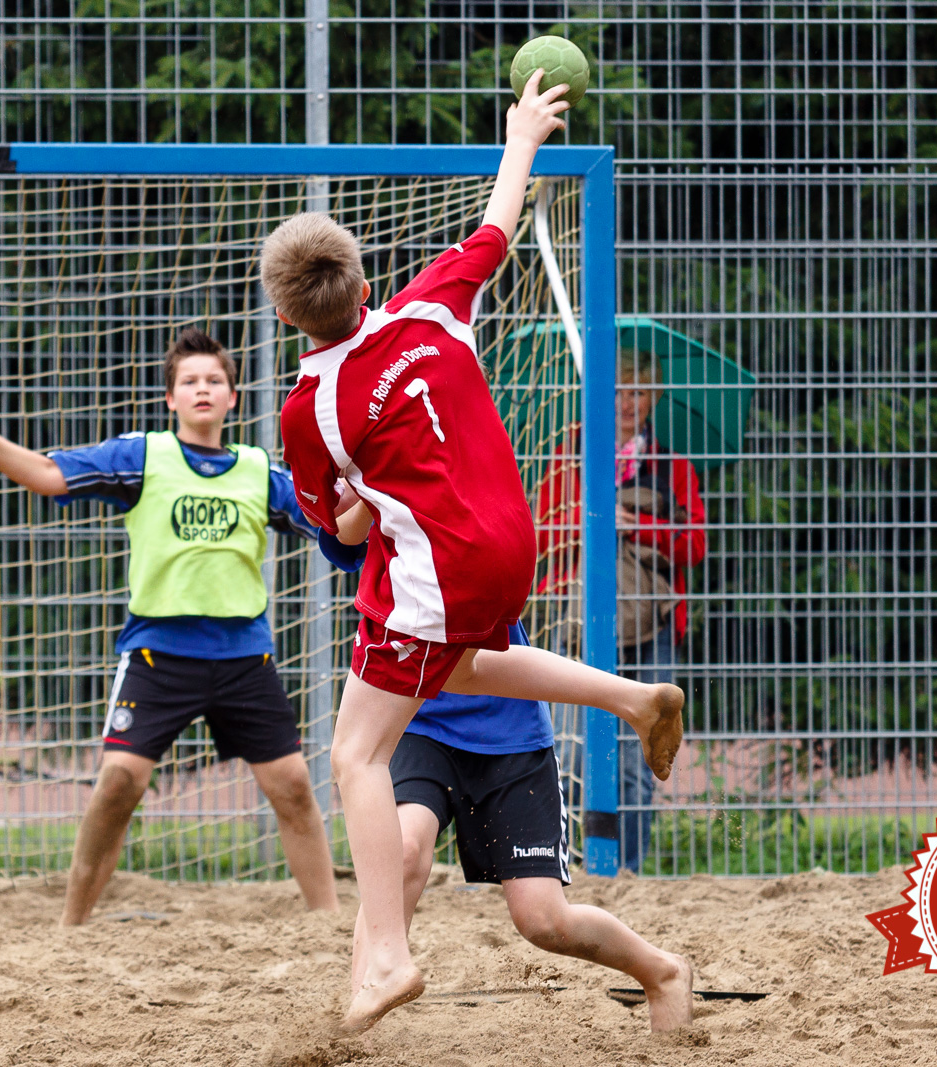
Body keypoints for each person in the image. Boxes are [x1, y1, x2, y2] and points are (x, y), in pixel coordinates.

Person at [264, 70, 689, 1032]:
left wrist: (363, 514)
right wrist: (524, 130)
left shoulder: (308, 407)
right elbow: (496, 225)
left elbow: (335, 528)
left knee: (352, 755)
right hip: (514, 542)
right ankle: (629, 696)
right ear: (368, 284)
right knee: (458, 666)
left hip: (439, 566)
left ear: (286, 318)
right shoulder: (428, 306)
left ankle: (384, 953)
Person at [0, 328, 339, 924]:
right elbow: (49, 475)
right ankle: (73, 925)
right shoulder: (143, 457)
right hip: (159, 657)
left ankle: (327, 920)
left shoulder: (258, 473)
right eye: (190, 381)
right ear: (171, 398)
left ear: (232, 396)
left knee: (295, 788)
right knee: (119, 781)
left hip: (242, 657)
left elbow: (334, 523)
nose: (203, 389)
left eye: (214, 381)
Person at [319, 530, 694, 1031]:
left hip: (510, 732)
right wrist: (360, 475)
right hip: (415, 722)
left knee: (543, 921)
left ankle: (663, 972)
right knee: (404, 849)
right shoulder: (375, 489)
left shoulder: (465, 496)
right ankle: (359, 1015)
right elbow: (340, 538)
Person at [535, 362, 707, 873]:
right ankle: (564, 867)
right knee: (564, 753)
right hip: (577, 623)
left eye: (640, 391)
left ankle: (626, 870)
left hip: (648, 623)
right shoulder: (569, 459)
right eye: (619, 388)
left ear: (654, 398)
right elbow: (540, 534)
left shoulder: (673, 467)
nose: (629, 401)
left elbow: (694, 545)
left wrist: (637, 526)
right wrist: (593, 521)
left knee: (638, 759)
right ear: (600, 394)